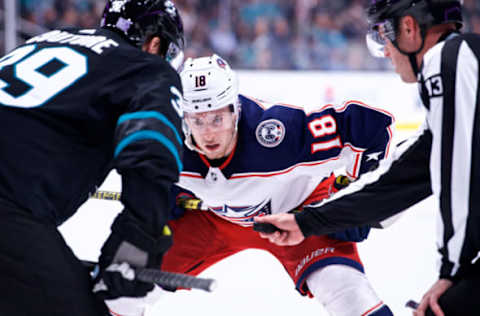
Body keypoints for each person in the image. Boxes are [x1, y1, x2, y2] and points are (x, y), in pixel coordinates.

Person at [255, 1, 480, 315]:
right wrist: (307, 221)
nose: (386, 51)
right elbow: (401, 176)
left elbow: (459, 175)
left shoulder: (449, 58)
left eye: (383, 35)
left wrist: (453, 271)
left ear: (409, 28)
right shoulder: (460, 74)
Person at [160, 54, 395, 316]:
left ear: (234, 110)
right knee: (123, 280)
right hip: (213, 218)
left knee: (348, 294)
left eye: (217, 119)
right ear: (184, 118)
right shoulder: (167, 138)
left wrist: (357, 206)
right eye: (198, 121)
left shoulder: (278, 134)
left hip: (299, 217)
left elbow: (370, 127)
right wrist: (160, 190)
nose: (208, 133)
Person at [0, 0, 185, 315]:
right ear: (155, 43)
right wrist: (135, 244)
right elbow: (152, 147)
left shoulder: (41, 41)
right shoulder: (144, 66)